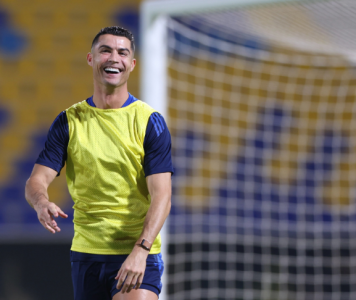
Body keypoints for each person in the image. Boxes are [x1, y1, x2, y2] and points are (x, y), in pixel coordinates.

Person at [25, 26, 173, 300]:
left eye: (122, 52)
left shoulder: (149, 122)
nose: (114, 57)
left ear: (131, 64)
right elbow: (37, 180)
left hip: (137, 252)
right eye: (105, 50)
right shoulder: (69, 121)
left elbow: (162, 195)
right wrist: (41, 202)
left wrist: (141, 250)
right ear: (91, 58)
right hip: (86, 255)